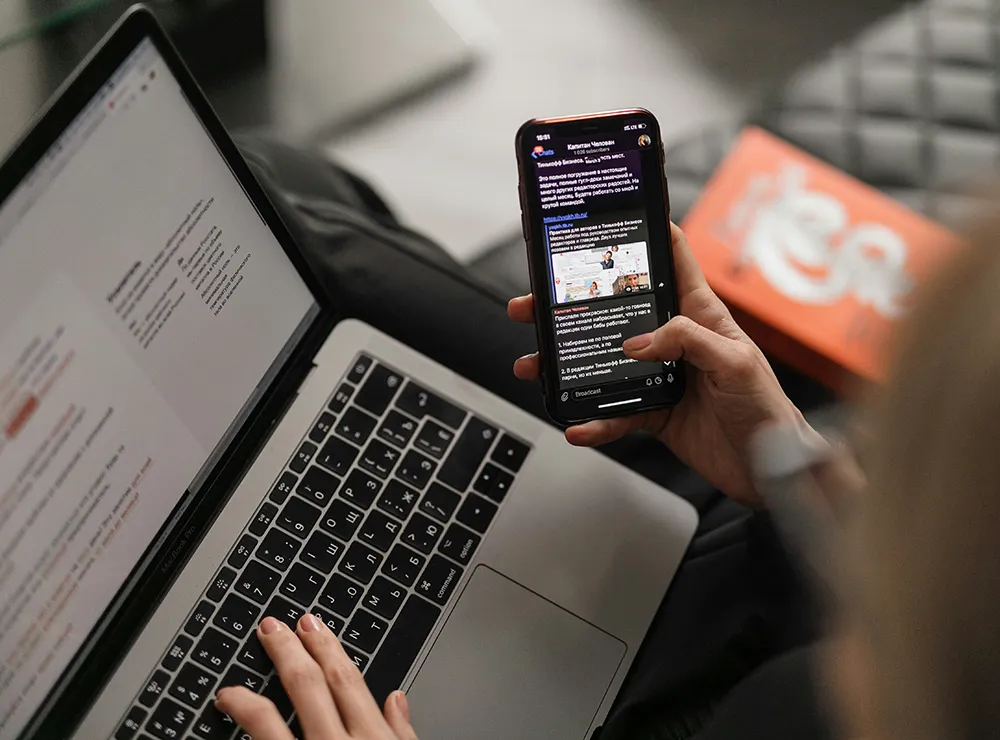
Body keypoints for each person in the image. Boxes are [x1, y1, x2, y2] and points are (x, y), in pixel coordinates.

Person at [212, 137, 1000, 740]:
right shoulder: (927, 649)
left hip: (677, 646)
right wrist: (797, 474)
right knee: (283, 180)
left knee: (268, 174)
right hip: (741, 543)